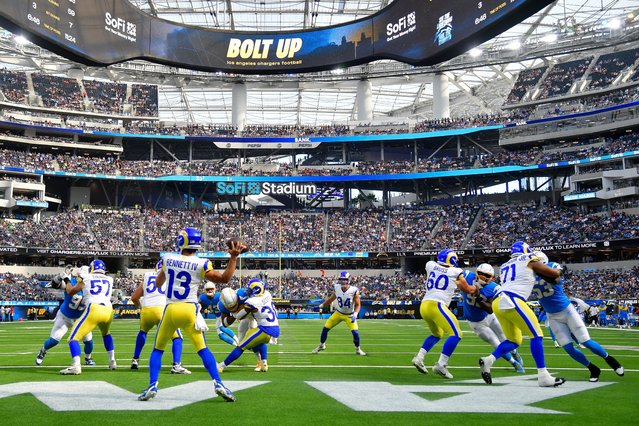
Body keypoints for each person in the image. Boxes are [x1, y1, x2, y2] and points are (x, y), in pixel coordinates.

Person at [138, 227, 244, 402]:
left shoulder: (167, 259)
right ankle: (218, 383)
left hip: (171, 309)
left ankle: (152, 385)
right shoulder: (202, 263)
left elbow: (158, 284)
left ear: (181, 241)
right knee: (203, 349)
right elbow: (225, 278)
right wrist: (233, 257)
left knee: (158, 349)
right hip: (189, 309)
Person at [479, 243, 566, 387]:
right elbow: (553, 274)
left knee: (514, 340)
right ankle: (543, 376)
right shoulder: (529, 258)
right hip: (513, 300)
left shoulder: (505, 265)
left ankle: (488, 360)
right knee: (536, 335)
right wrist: (559, 271)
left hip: (498, 301)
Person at [533, 260, 624, 382]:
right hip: (552, 316)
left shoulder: (551, 267)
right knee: (568, 348)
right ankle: (593, 368)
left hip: (567, 311)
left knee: (585, 341)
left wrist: (541, 273)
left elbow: (556, 278)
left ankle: (612, 362)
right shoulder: (529, 275)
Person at [411, 249, 478, 379]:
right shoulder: (456, 271)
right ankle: (441, 364)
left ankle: (419, 357)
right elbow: (468, 289)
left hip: (424, 305)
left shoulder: (430, 264)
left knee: (437, 334)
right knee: (457, 334)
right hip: (437, 305)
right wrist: (478, 287)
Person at [461, 263, 525, 374]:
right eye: (481, 274)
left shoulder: (493, 288)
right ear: (476, 272)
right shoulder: (467, 276)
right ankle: (514, 363)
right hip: (476, 322)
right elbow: (455, 277)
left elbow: (490, 309)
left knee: (504, 337)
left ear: (492, 277)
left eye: (486, 275)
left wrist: (478, 297)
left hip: (489, 316)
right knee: (496, 343)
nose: (483, 277)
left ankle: (514, 352)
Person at [130, 260, 191, 374]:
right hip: (162, 309)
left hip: (147, 309)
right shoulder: (170, 276)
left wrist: (140, 307)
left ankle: (135, 359)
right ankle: (176, 365)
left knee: (143, 332)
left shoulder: (147, 276)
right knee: (177, 338)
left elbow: (134, 297)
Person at [60, 260, 117, 375]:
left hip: (94, 308)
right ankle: (112, 361)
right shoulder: (110, 279)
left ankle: (76, 366)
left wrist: (67, 279)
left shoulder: (86, 277)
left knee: (73, 338)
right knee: (106, 334)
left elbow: (70, 291)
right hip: (108, 310)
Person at [217, 278, 280, 372]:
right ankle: (263, 363)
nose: (248, 291)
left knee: (242, 345)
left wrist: (233, 314)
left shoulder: (250, 301)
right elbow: (225, 323)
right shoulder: (267, 294)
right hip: (272, 325)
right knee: (249, 339)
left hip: (261, 324)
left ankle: (221, 366)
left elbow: (239, 315)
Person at [36, 270, 95, 366]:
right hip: (65, 316)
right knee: (54, 340)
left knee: (89, 342)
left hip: (80, 319)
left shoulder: (93, 288)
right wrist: (59, 277)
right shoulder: (71, 283)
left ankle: (88, 358)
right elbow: (53, 285)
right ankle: (43, 351)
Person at [311, 271, 366, 356]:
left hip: (349, 315)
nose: (343, 281)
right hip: (338, 313)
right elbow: (331, 298)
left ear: (348, 280)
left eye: (345, 280)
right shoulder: (337, 287)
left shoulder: (354, 290)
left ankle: (358, 349)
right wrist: (321, 306)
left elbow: (358, 304)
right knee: (325, 329)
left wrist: (355, 314)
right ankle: (322, 345)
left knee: (355, 333)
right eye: (341, 279)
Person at [217, 285, 263, 371]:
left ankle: (262, 361)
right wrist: (236, 315)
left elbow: (258, 304)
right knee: (241, 342)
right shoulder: (221, 305)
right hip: (244, 318)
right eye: (230, 308)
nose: (233, 308)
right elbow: (225, 323)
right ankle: (260, 359)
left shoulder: (244, 294)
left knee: (254, 337)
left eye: (235, 305)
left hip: (254, 315)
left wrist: (242, 311)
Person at [198, 281, 239, 347]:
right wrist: (200, 308)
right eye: (208, 289)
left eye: (211, 289)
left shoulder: (218, 296)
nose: (210, 290)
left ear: (214, 289)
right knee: (221, 335)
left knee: (222, 328)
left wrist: (233, 313)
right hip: (217, 316)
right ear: (205, 290)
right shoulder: (202, 298)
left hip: (223, 314)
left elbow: (228, 304)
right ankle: (237, 344)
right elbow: (200, 307)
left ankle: (238, 341)